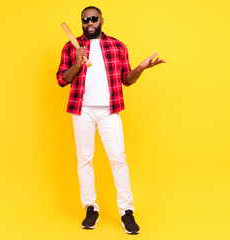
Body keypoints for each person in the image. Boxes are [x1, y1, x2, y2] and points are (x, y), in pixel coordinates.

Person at [56, 6, 166, 235]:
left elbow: (127, 79)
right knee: (84, 159)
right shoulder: (71, 47)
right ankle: (90, 208)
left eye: (93, 18)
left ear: (102, 20)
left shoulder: (117, 46)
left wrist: (141, 68)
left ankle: (127, 211)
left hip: (110, 110)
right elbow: (62, 80)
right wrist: (77, 62)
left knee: (118, 158)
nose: (89, 23)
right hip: (82, 109)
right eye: (85, 20)